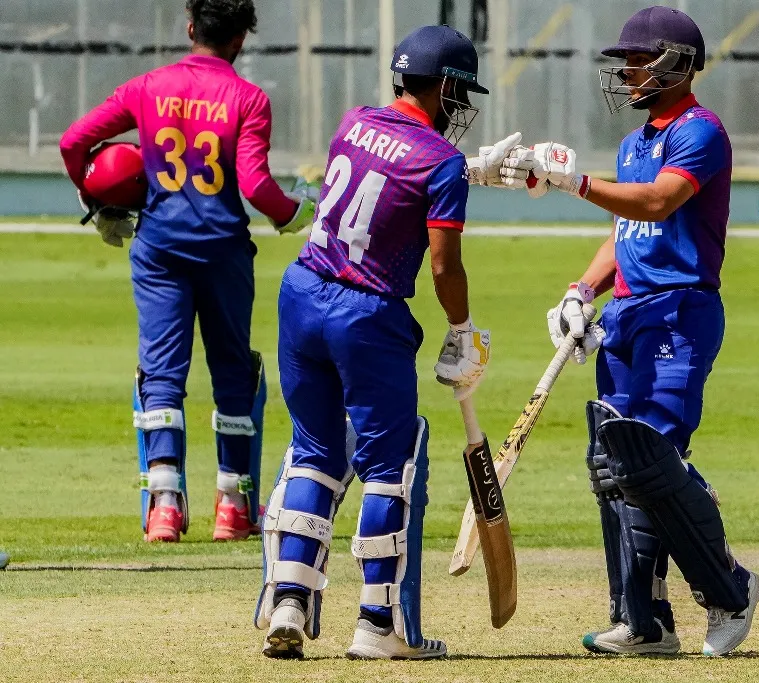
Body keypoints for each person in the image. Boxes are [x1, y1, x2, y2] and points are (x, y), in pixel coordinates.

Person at [254, 25, 529, 660]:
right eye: (461, 92)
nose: (463, 105)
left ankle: (289, 600)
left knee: (314, 452)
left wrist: (470, 171)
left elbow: (385, 178)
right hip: (366, 314)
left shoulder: (353, 122)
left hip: (302, 293)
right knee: (389, 466)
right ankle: (378, 625)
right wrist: (461, 329)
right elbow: (444, 265)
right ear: (447, 87)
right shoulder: (441, 162)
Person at [508, 5, 759, 657]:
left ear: (676, 64)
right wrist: (579, 290)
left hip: (679, 310)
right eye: (624, 62)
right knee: (614, 465)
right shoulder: (633, 144)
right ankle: (643, 621)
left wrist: (574, 182)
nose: (626, 73)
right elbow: (627, 233)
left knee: (651, 457)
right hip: (625, 313)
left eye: (637, 61)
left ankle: (730, 589)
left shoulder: (700, 131)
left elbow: (657, 202)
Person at [59, 0, 317, 543]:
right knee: (233, 373)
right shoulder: (249, 98)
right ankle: (233, 507)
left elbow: (72, 142)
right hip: (223, 251)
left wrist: (95, 195)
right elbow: (255, 186)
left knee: (161, 374)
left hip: (159, 250)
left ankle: (164, 508)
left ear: (191, 27)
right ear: (239, 40)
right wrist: (295, 213)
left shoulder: (148, 86)